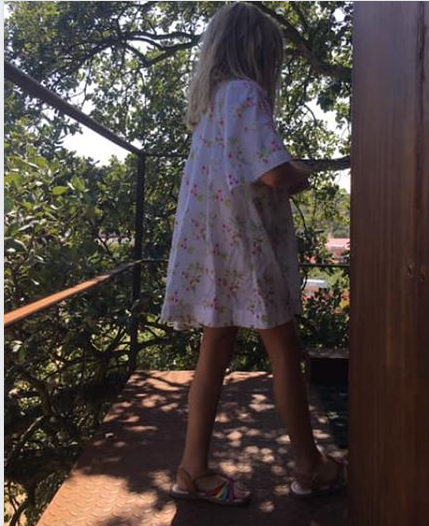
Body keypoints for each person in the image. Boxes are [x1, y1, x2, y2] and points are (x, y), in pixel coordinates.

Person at [159, 2, 347, 506]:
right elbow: (272, 172)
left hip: (214, 248)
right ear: (256, 53)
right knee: (284, 349)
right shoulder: (245, 93)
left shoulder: (211, 105)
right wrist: (302, 176)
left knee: (214, 349)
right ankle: (309, 465)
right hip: (244, 245)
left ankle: (191, 469)